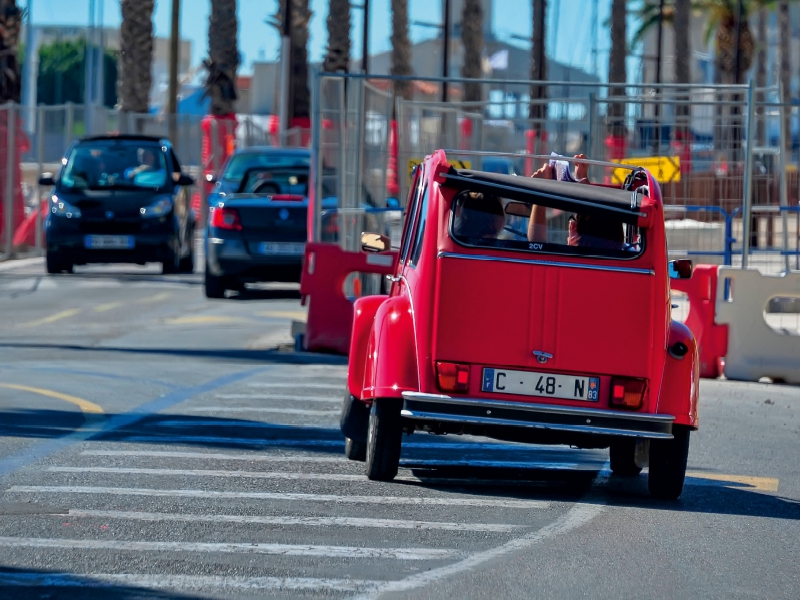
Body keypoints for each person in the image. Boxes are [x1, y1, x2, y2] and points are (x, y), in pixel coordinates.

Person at [527, 153, 625, 249]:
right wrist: (582, 180)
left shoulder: (573, 261)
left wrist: (540, 187)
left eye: (573, 218)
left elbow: (536, 246)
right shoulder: (627, 257)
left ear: (573, 228)